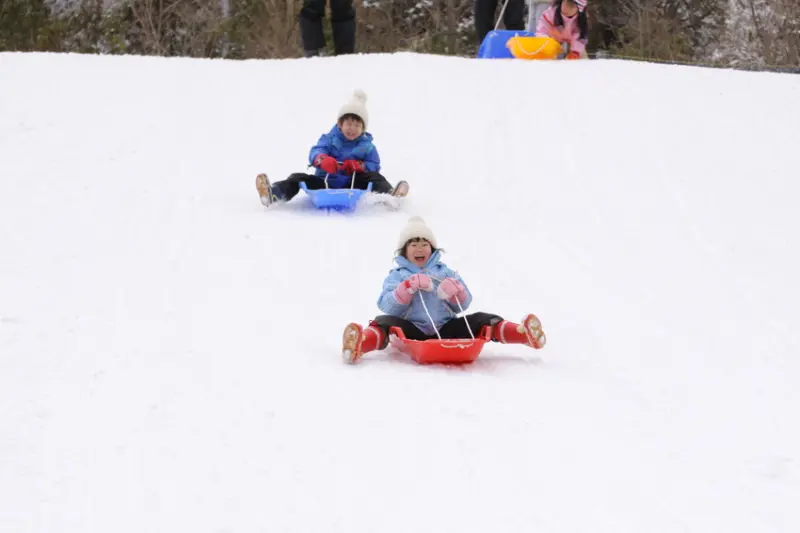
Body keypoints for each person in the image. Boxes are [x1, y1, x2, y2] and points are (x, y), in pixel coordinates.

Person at [341, 216, 547, 363]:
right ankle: (361, 343)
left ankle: (523, 334)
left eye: (424, 243)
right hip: (414, 329)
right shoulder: (398, 275)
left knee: (483, 318)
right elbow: (386, 305)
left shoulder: (445, 271)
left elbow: (463, 306)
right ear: (404, 250)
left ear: (432, 249)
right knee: (383, 322)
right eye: (413, 244)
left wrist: (457, 292)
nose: (420, 248)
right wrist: (406, 288)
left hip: (446, 328)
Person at [255, 89, 409, 207]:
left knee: (375, 178)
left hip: (352, 184)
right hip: (325, 183)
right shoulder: (329, 139)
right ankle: (273, 194)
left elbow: (374, 164)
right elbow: (315, 151)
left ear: (363, 128)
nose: (352, 129)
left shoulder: (367, 146)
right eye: (348, 124)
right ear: (340, 124)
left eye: (357, 125)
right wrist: (322, 160)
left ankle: (391, 196)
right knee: (297, 177)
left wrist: (360, 166)